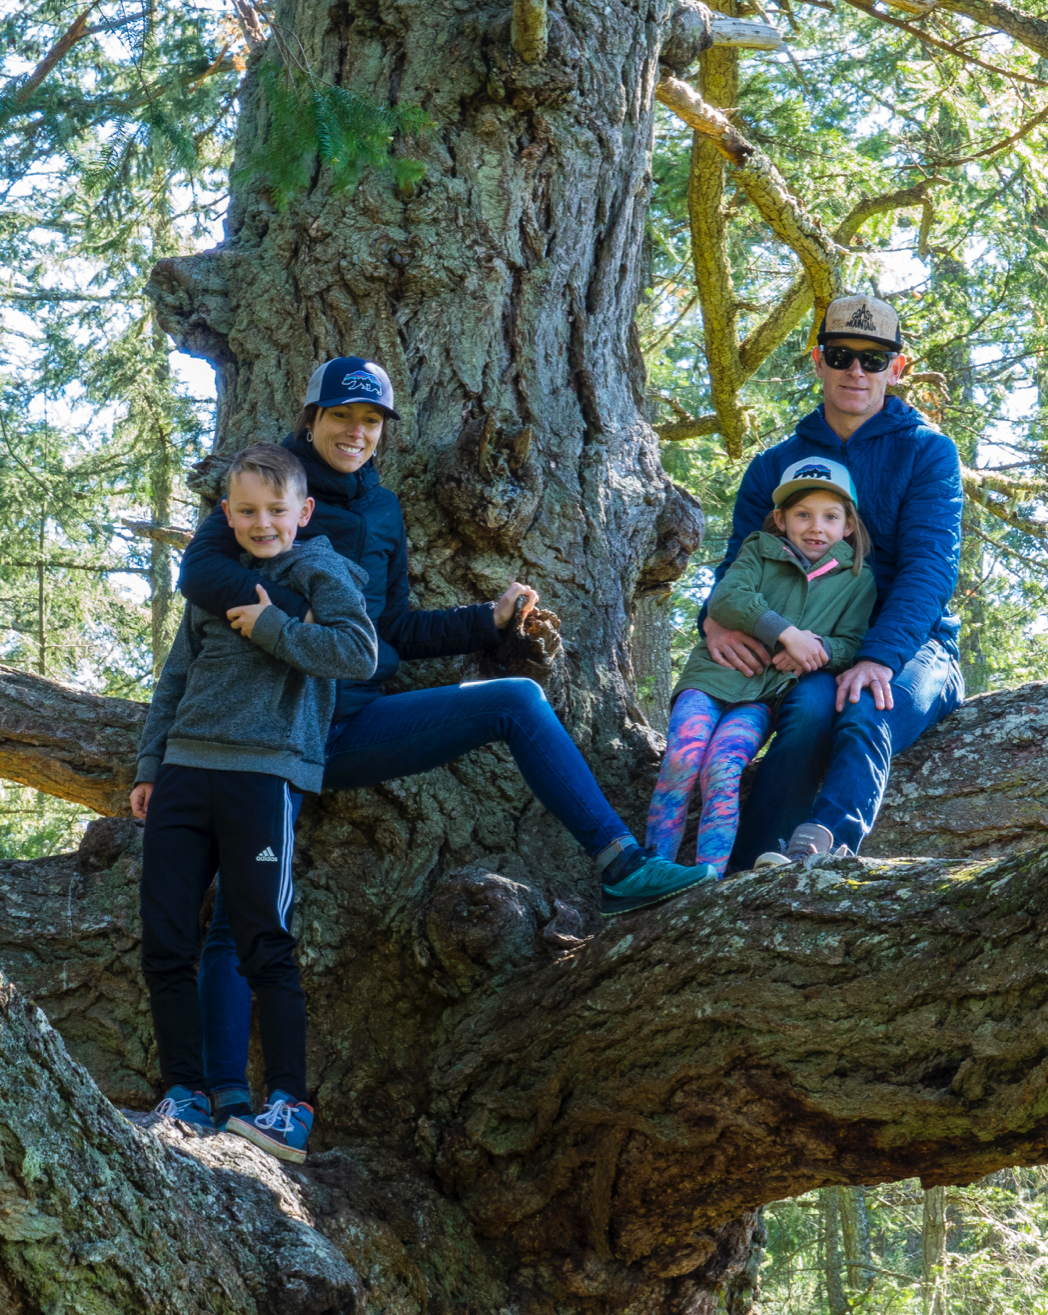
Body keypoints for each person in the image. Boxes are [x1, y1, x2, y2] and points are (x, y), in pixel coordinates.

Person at [177, 358, 711, 1124]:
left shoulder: (385, 512)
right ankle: (221, 1096)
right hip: (265, 735)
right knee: (240, 914)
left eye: (371, 422)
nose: (356, 433)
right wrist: (279, 629)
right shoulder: (266, 497)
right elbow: (201, 575)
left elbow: (390, 629)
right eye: (341, 418)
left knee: (517, 700)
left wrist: (483, 623)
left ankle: (621, 864)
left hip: (356, 724)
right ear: (310, 418)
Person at [131, 442, 378, 1164]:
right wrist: (150, 765)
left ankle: (288, 1104)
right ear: (226, 515)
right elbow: (175, 679)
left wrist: (273, 627)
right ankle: (186, 1093)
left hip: (265, 777)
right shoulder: (217, 583)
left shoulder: (322, 571)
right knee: (165, 937)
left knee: (261, 938)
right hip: (183, 771)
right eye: (247, 511)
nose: (263, 523)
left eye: (276, 510)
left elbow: (357, 654)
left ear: (303, 512)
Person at [702, 294, 965, 870]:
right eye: (842, 354)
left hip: (914, 646)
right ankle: (744, 870)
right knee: (812, 711)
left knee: (867, 705)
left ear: (897, 369)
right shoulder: (777, 464)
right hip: (815, 647)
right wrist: (714, 619)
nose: (856, 371)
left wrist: (879, 657)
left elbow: (930, 569)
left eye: (874, 360)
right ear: (818, 359)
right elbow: (737, 564)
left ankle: (821, 845)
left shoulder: (928, 453)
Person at [647, 457, 875, 880]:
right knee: (682, 758)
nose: (815, 527)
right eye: (802, 515)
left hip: (762, 696)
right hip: (710, 679)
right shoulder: (758, 549)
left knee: (722, 767)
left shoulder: (857, 578)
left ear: (848, 526)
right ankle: (653, 866)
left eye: (830, 517)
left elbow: (852, 642)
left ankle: (707, 875)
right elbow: (726, 598)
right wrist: (786, 633)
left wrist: (817, 649)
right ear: (781, 519)